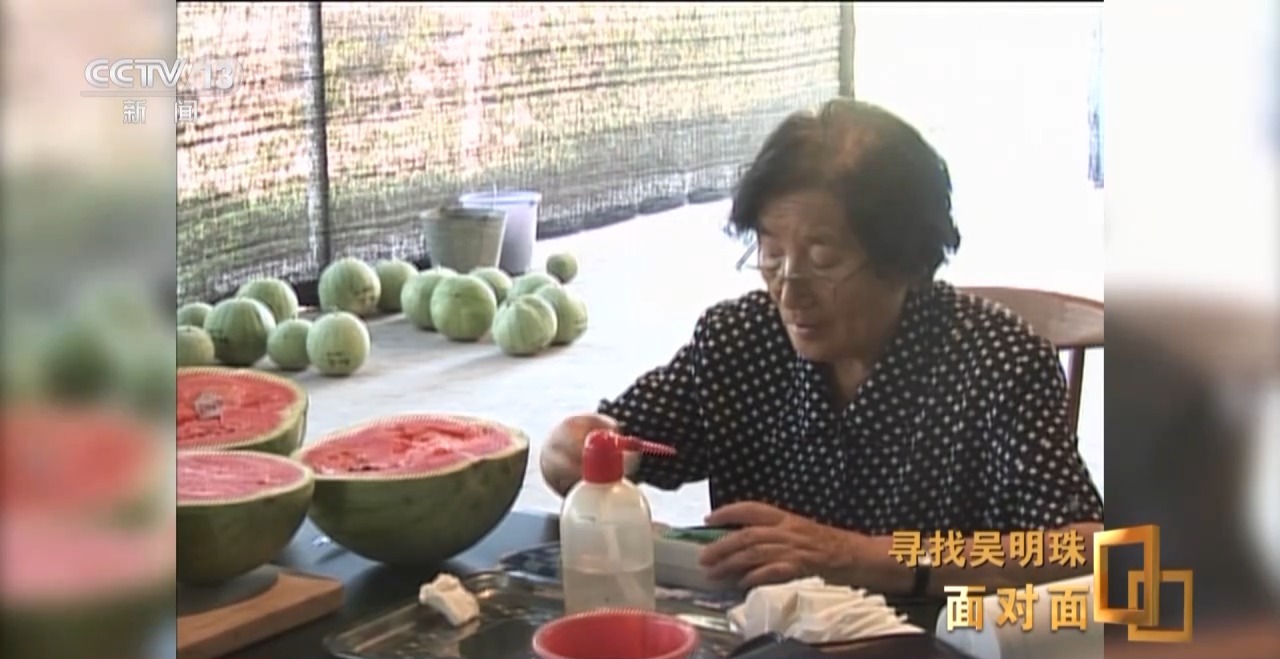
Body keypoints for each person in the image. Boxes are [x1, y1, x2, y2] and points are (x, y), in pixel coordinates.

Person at [540, 98, 1104, 597]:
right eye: (770, 253)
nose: (789, 291)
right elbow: (616, 442)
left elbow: (1085, 551)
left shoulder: (998, 363)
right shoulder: (742, 340)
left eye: (824, 259)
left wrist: (862, 557)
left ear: (905, 261)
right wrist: (578, 446)